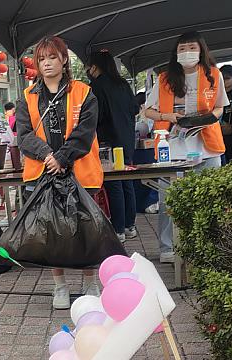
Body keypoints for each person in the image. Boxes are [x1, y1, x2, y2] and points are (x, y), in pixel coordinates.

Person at [17, 35, 102, 310]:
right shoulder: (28, 97)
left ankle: (90, 283)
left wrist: (63, 158)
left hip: (81, 172)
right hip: (42, 174)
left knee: (86, 230)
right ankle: (60, 286)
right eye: (41, 59)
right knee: (51, 233)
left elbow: (85, 133)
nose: (47, 63)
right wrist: (48, 156)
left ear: (64, 59)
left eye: (52, 57)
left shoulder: (84, 92)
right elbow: (24, 135)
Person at [143, 32, 228, 264]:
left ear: (201, 50)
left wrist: (209, 118)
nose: (187, 52)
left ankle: (209, 245)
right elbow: (147, 110)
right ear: (176, 53)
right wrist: (167, 116)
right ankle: (168, 248)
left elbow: (220, 106)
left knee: (209, 199)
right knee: (168, 201)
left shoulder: (214, 75)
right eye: (182, 48)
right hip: (172, 149)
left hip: (207, 147)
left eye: (191, 47)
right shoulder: (164, 79)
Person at [85, 51, 139, 243]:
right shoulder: (123, 84)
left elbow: (96, 116)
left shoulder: (96, 87)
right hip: (126, 140)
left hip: (108, 142)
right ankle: (129, 226)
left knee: (113, 184)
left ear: (95, 67)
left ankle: (118, 230)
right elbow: (135, 109)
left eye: (89, 67)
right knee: (127, 182)